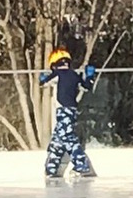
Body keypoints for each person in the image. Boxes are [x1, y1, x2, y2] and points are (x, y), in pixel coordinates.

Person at [40, 45, 97, 180]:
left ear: (54, 65)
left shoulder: (57, 74)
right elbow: (85, 87)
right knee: (57, 140)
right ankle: (51, 168)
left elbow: (43, 83)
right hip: (72, 110)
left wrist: (42, 77)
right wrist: (90, 77)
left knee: (68, 138)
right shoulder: (74, 75)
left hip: (62, 110)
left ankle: (82, 165)